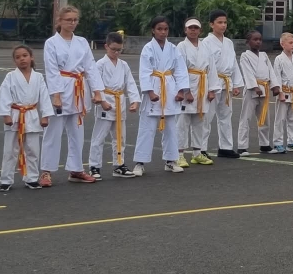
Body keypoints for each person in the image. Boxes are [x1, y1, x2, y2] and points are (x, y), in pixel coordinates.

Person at [42, 5, 106, 186]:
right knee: (53, 132)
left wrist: (97, 91)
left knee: (77, 132)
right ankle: (46, 171)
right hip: (61, 87)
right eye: (68, 19)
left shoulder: (82, 42)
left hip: (78, 89)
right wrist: (56, 95)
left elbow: (90, 67)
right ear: (60, 21)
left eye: (75, 20)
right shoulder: (51, 43)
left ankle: (76, 169)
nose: (72, 23)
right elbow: (51, 70)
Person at [133, 16, 191, 175]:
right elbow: (144, 71)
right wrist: (150, 92)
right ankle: (140, 163)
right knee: (147, 128)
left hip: (170, 88)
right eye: (159, 29)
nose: (163, 32)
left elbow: (180, 70)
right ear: (153, 30)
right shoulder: (148, 48)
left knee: (171, 128)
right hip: (153, 87)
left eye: (165, 29)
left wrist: (181, 91)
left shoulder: (173, 48)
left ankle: (171, 161)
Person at [0, 45, 55, 191]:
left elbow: (44, 96)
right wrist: (6, 115)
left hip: (31, 114)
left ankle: (32, 178)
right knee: (10, 150)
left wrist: (45, 116)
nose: (22, 59)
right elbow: (4, 95)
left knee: (32, 150)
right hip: (15, 115)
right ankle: (6, 179)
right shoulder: (10, 76)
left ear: (31, 57)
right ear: (14, 61)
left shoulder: (38, 77)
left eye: (25, 55)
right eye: (18, 57)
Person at [87, 32, 140, 179]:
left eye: (119, 50)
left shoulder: (124, 65)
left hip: (119, 101)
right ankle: (94, 166)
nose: (116, 53)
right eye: (113, 49)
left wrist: (134, 101)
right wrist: (102, 101)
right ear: (106, 46)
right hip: (106, 100)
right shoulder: (100, 64)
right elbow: (95, 84)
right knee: (99, 137)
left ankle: (119, 164)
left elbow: (130, 83)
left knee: (120, 137)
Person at [177, 18, 221, 167]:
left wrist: (212, 89)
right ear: (185, 30)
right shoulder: (181, 46)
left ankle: (197, 153)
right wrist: (186, 91)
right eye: (190, 28)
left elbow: (212, 69)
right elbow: (180, 69)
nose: (193, 30)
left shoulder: (205, 47)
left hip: (203, 85)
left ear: (200, 31)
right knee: (183, 122)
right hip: (189, 84)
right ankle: (179, 154)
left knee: (200, 121)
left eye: (196, 28)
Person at [201, 9, 243, 158]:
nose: (223, 25)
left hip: (226, 81)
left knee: (226, 116)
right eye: (219, 22)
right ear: (211, 24)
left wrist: (236, 84)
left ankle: (225, 147)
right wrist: (210, 87)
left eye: (225, 22)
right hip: (213, 82)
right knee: (207, 116)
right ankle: (201, 148)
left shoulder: (229, 42)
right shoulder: (206, 43)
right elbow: (205, 65)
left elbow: (234, 64)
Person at [238, 30, 281, 153]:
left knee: (264, 118)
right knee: (246, 118)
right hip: (252, 91)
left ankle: (264, 144)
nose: (258, 42)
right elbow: (247, 72)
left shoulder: (264, 55)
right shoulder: (245, 56)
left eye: (260, 40)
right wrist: (254, 86)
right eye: (255, 39)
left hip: (265, 89)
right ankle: (242, 146)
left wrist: (275, 86)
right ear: (248, 42)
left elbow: (270, 71)